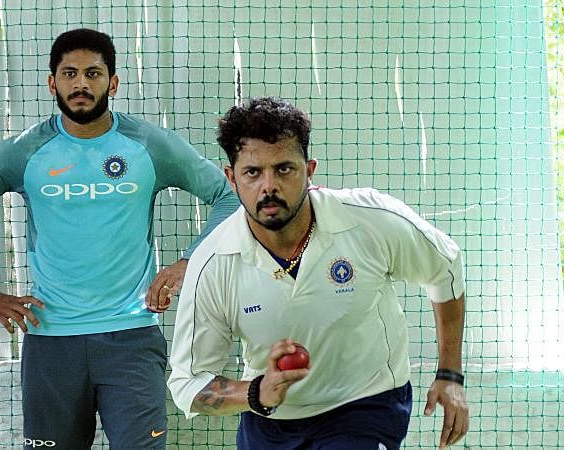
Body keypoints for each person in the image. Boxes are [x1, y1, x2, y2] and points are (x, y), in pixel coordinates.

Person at [0, 28, 240, 449]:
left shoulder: (148, 144)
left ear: (112, 82)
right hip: (50, 343)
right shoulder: (24, 151)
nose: (81, 84)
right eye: (70, 73)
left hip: (131, 338)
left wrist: (188, 262)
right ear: (52, 82)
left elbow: (227, 196)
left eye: (93, 73)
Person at [164, 96, 469, 449]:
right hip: (268, 420)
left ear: (309, 171)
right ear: (232, 179)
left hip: (365, 404)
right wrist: (257, 391)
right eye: (252, 173)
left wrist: (450, 374)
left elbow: (444, 267)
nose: (268, 186)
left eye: (284, 169)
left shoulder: (370, 219)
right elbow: (189, 383)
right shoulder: (213, 263)